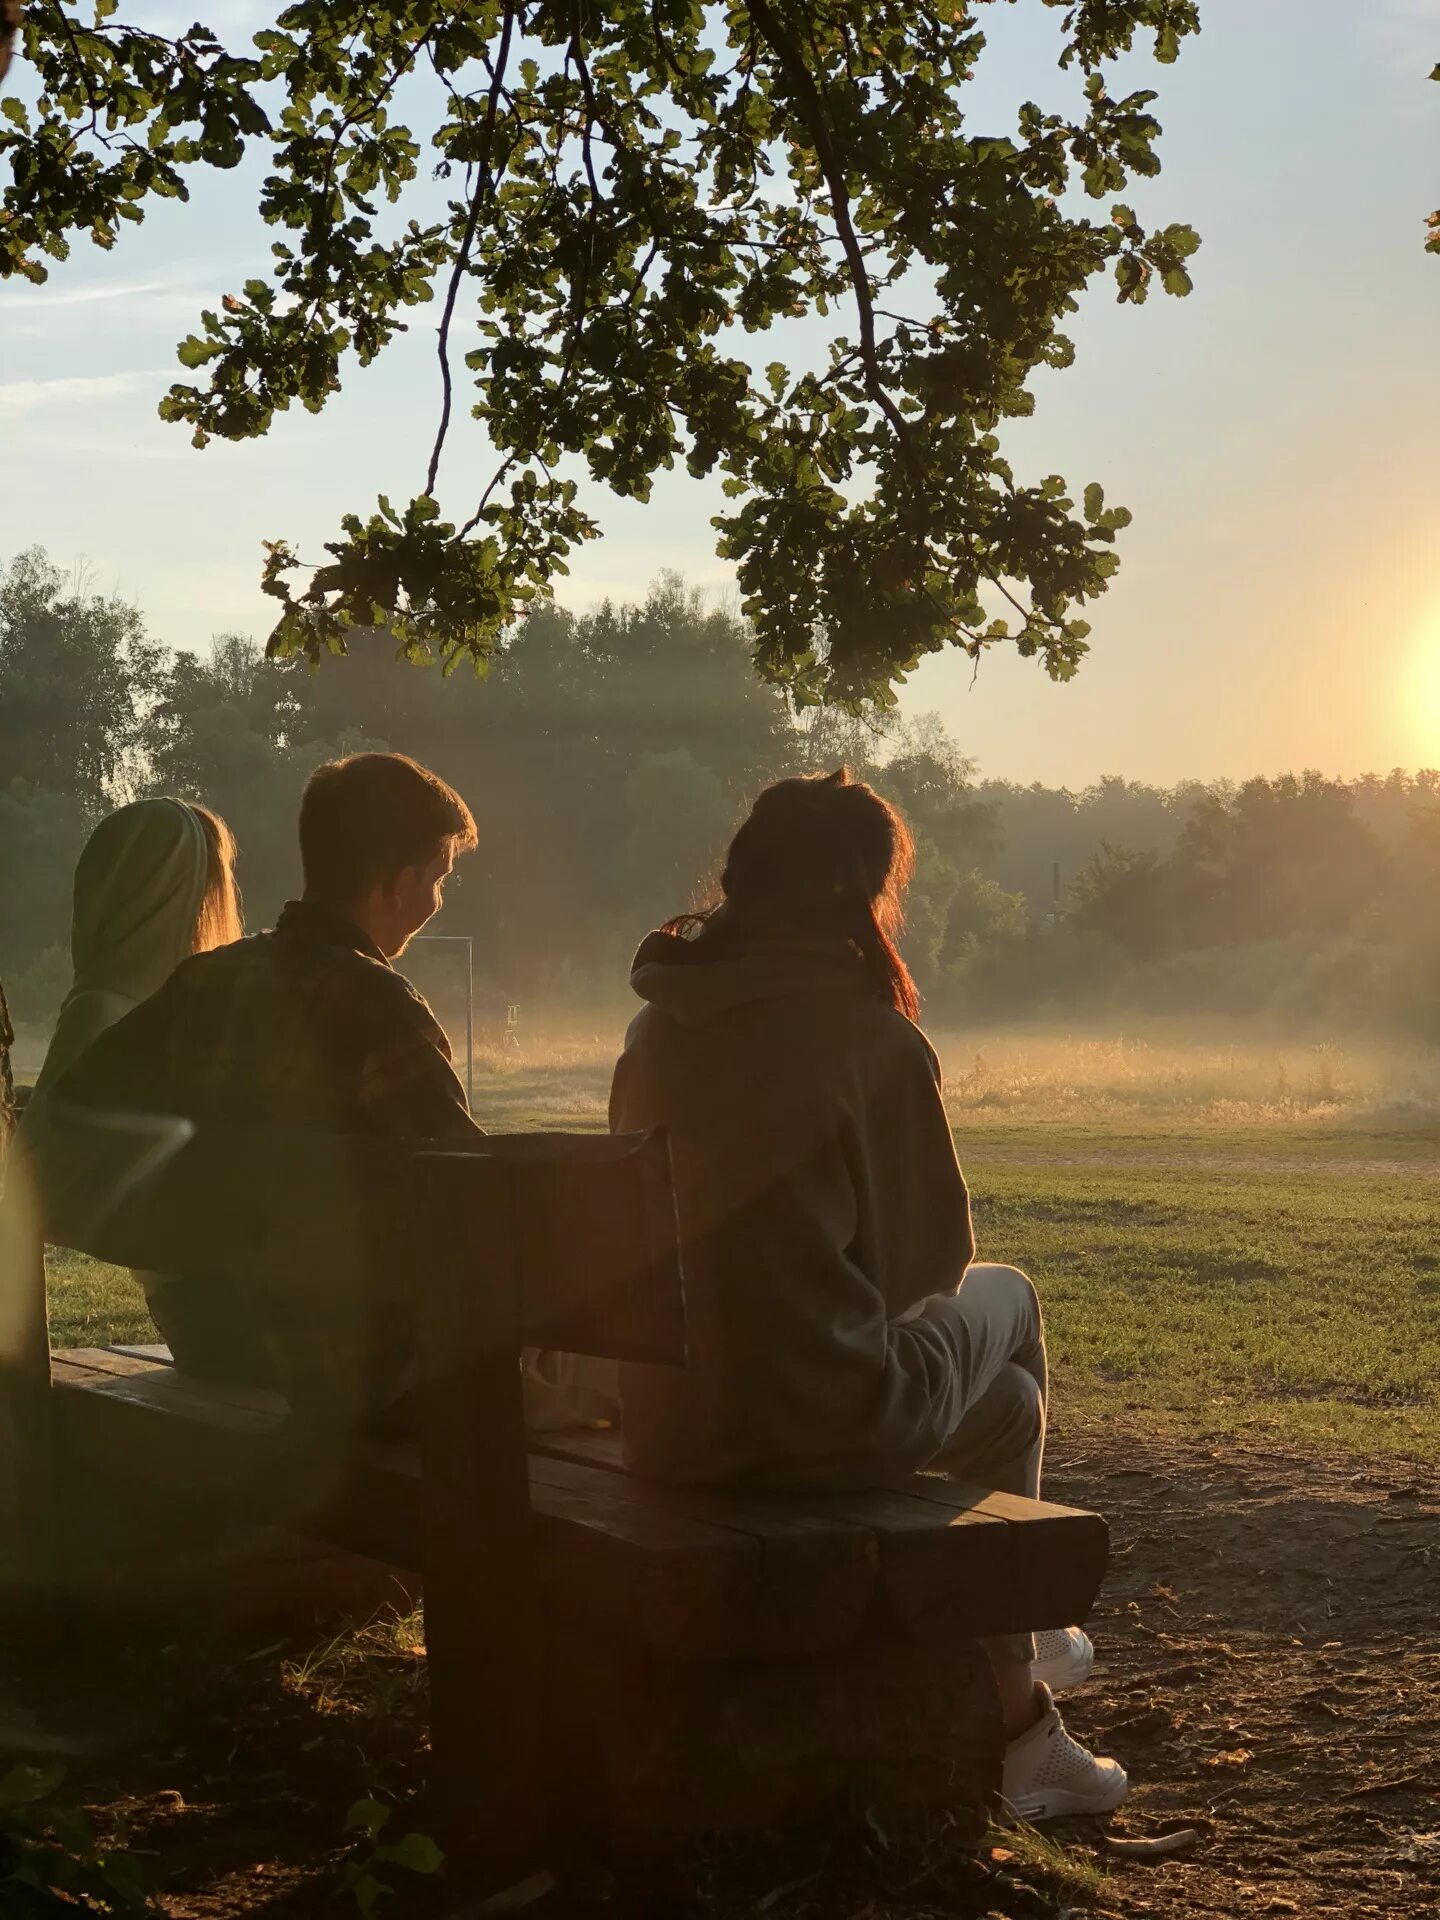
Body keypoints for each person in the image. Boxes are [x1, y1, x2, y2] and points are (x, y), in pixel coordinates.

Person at [609, 767, 1127, 1822]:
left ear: (741, 879)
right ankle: (1026, 1687)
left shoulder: (655, 1031)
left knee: (1011, 1411)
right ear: (866, 893)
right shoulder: (867, 1038)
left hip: (672, 1428)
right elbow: (927, 1272)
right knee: (1009, 1299)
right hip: (814, 1424)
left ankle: (1028, 1698)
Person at [33, 752, 603, 1427]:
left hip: (217, 1343)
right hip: (372, 1374)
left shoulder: (204, 983)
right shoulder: (376, 1005)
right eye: (439, 880)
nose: (437, 901)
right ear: (398, 884)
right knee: (612, 1361)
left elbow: (67, 1130)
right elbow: (475, 1203)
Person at [18, 797, 245, 1361]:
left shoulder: (102, 1008)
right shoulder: (213, 1007)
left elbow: (30, 1189)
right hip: (254, 1314)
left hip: (207, 1320)